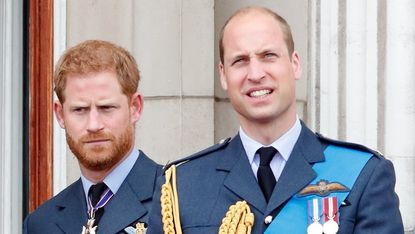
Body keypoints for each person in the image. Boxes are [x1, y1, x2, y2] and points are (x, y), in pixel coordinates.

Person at [147, 6, 404, 234]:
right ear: (223, 75)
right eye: (240, 60)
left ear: (295, 64)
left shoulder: (363, 174)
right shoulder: (182, 185)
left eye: (268, 55)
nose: (256, 73)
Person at [24, 40, 162, 234]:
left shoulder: (176, 200)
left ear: (135, 108)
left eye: (106, 108)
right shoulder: (41, 223)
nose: (94, 125)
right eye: (80, 110)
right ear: (60, 115)